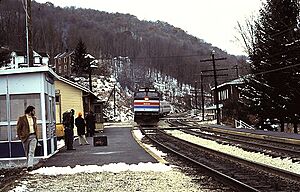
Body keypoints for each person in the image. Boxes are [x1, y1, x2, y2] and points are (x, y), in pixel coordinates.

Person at [17, 105, 38, 171]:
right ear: (30, 111)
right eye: (33, 111)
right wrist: (20, 136)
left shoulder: (34, 118)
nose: (34, 112)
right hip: (25, 137)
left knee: (31, 151)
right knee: (27, 152)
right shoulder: (22, 118)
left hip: (33, 136)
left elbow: (35, 127)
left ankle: (30, 166)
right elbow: (18, 128)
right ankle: (29, 164)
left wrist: (37, 135)